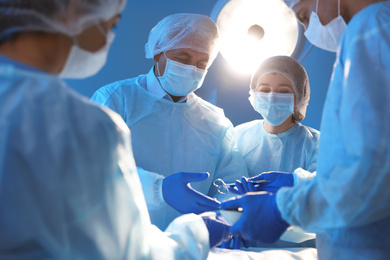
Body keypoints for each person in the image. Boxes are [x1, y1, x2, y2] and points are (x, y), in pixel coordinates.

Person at [0, 1, 230, 259]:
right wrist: (196, 233)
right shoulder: (85, 123)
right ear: (74, 13)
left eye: (202, 62)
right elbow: (128, 253)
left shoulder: (217, 121)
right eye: (111, 25)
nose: (105, 42)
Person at [221, 0, 390, 259]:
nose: (306, 26)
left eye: (302, 15)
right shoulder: (376, 27)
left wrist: (282, 208)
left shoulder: (372, 27)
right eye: (264, 89)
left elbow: (371, 170)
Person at [91, 13, 248, 230]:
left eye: (201, 63)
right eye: (183, 59)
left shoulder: (216, 121)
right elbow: (93, 168)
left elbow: (231, 184)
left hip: (192, 244)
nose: (192, 68)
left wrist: (228, 220)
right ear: (157, 53)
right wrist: (158, 188)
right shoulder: (116, 99)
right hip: (124, 241)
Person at [224, 55, 319, 249]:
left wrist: (275, 209)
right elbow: (221, 189)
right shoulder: (236, 135)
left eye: (283, 91)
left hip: (297, 251)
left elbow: (325, 199)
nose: (272, 96)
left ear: (299, 97)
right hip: (243, 248)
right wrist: (229, 218)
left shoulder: (316, 144)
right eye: (264, 90)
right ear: (253, 93)